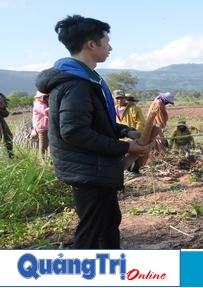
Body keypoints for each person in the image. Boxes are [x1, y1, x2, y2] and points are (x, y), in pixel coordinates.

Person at [34, 15, 153, 249]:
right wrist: (126, 147)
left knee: (107, 224)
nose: (110, 47)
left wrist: (128, 132)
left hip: (96, 167)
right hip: (88, 169)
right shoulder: (76, 84)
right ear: (91, 44)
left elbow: (96, 121)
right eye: (106, 41)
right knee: (92, 231)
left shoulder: (87, 79)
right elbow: (75, 132)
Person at [113, 90, 146, 177]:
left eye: (121, 98)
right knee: (122, 156)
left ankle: (135, 171)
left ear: (125, 99)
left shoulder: (134, 109)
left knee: (135, 154)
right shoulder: (113, 110)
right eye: (117, 98)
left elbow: (140, 122)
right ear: (114, 99)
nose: (119, 100)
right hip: (120, 137)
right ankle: (125, 171)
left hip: (132, 135)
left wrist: (136, 133)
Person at [32, 91, 50, 161]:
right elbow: (46, 111)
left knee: (49, 144)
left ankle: (48, 159)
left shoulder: (44, 103)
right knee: (43, 144)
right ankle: (42, 160)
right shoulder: (39, 104)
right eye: (45, 97)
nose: (46, 98)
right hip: (42, 127)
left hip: (46, 127)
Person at [0, 92, 13, 158]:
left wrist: (1, 106)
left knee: (7, 138)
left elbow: (5, 113)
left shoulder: (0, 96)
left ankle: (10, 156)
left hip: (2, 123)